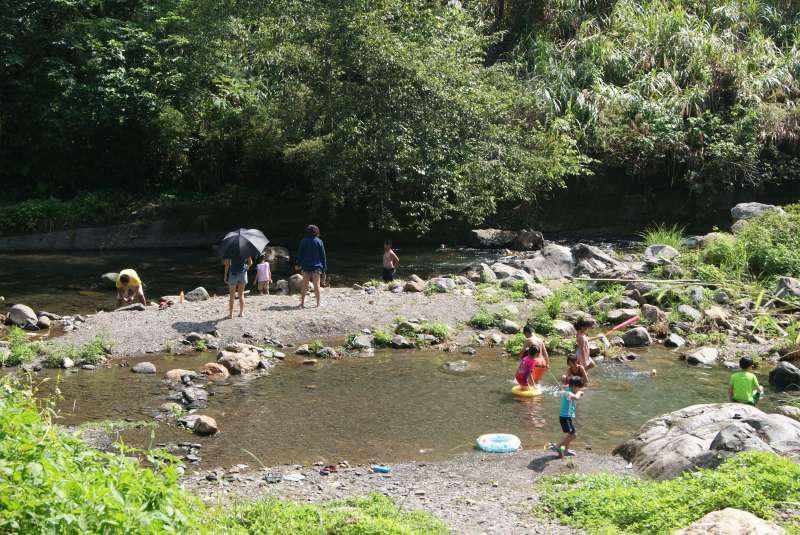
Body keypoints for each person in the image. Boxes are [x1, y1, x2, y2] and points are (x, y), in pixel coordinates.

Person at [550, 376, 585, 458]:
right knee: (573, 435)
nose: (579, 389)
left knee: (570, 435)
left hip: (566, 417)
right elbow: (576, 398)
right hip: (565, 418)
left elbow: (564, 388)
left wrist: (564, 387)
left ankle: (565, 450)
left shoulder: (567, 390)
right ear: (573, 387)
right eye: (578, 388)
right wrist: (579, 393)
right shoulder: (568, 393)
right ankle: (558, 447)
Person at [296, 224, 326, 308]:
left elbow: (300, 254)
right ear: (316, 231)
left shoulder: (303, 241)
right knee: (317, 285)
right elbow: (323, 256)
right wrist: (324, 267)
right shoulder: (319, 241)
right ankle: (318, 304)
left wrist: (298, 264)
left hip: (305, 266)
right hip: (316, 267)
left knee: (304, 285)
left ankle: (302, 303)